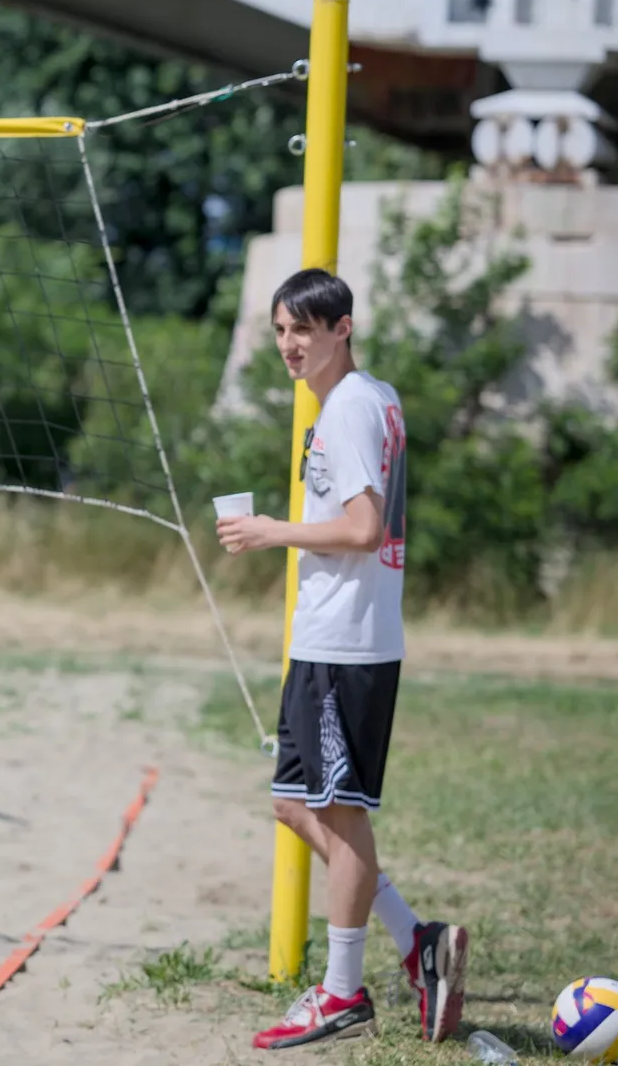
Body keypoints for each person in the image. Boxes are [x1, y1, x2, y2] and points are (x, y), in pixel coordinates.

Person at [218, 268, 468, 1050]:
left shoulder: (353, 409)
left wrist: (272, 531)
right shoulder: (369, 399)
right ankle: (414, 940)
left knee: (340, 810)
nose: (290, 346)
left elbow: (363, 530)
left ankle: (340, 993)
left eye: (305, 330)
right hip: (328, 638)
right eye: (282, 331)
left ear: (343, 328)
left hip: (348, 644)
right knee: (294, 803)